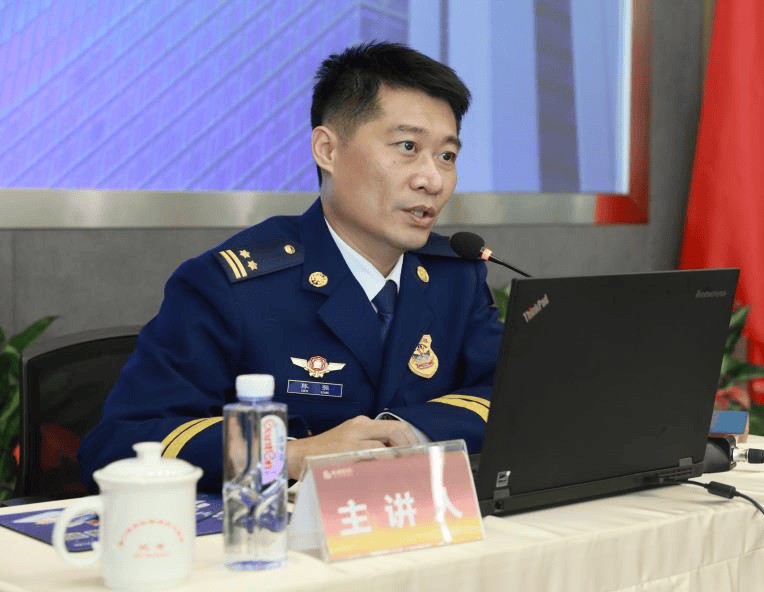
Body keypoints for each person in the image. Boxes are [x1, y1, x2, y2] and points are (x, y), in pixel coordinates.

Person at [78, 42, 504, 492]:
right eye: (407, 147)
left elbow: (510, 393)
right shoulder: (231, 287)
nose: (432, 180)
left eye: (446, 156)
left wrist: (406, 433)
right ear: (327, 150)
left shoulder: (455, 276)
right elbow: (121, 443)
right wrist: (288, 454)